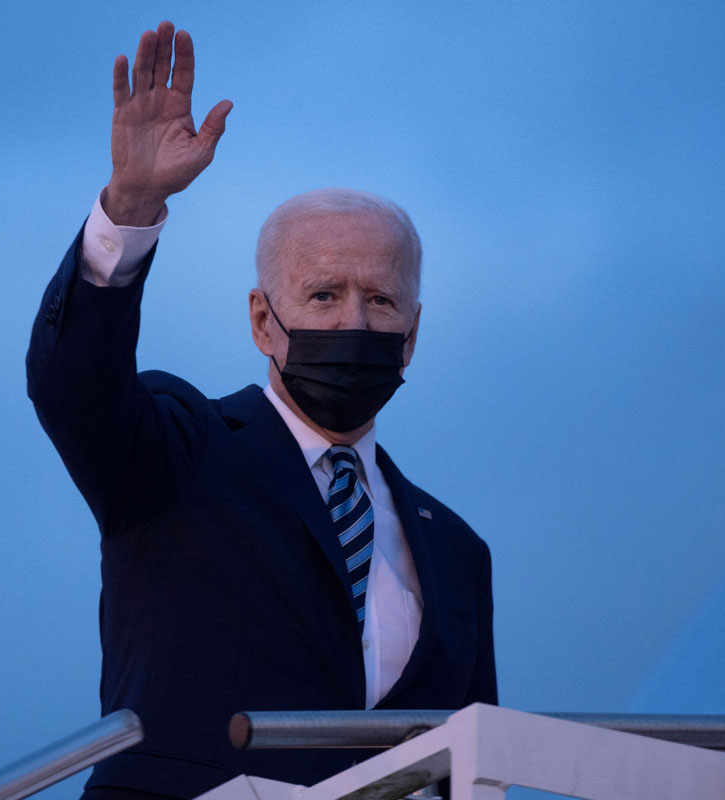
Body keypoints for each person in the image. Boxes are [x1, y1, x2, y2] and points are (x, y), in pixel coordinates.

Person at [26, 21, 496, 800]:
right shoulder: (180, 450)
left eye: (380, 300)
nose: (353, 324)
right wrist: (132, 205)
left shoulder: (459, 554)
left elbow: (477, 763)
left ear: (413, 334)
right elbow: (72, 385)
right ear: (261, 320)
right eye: (322, 294)